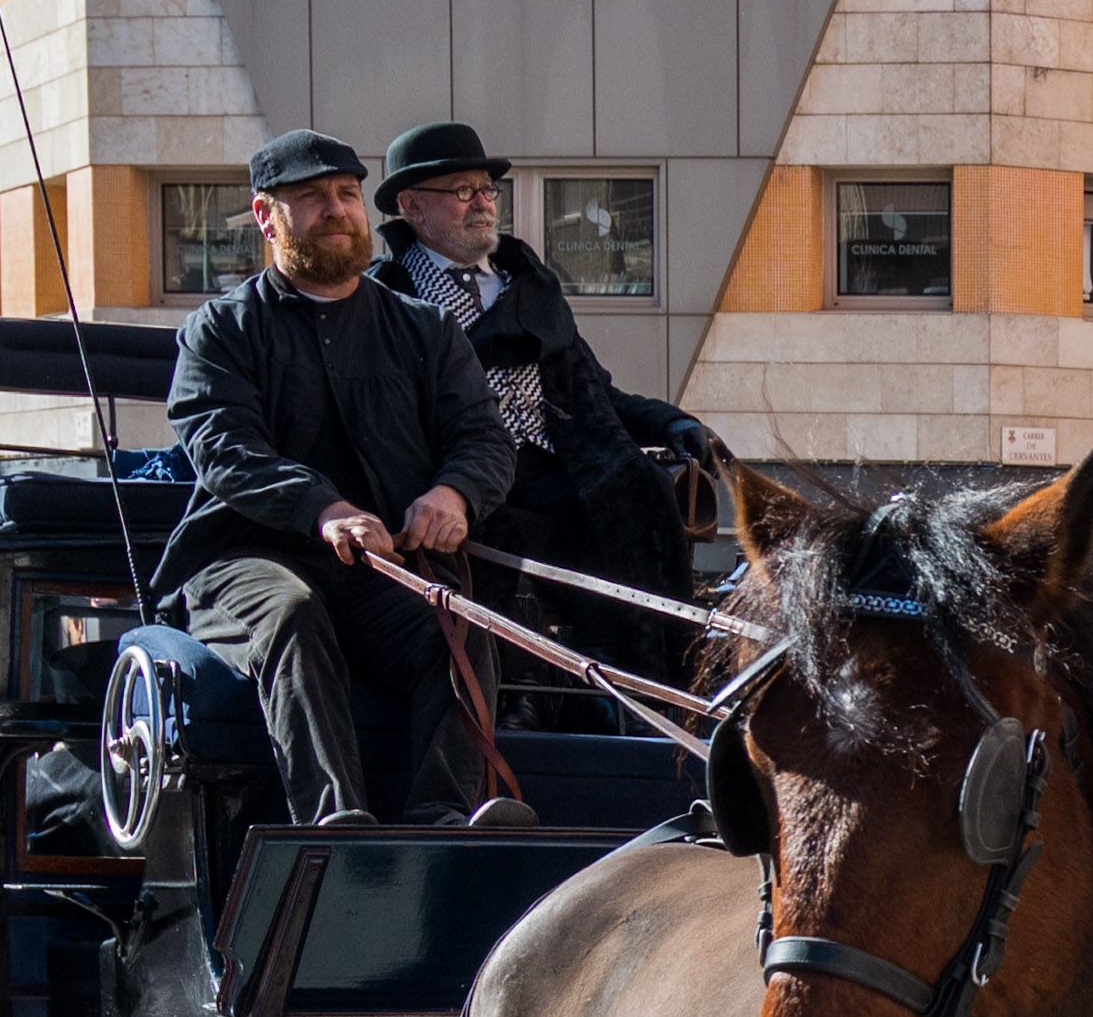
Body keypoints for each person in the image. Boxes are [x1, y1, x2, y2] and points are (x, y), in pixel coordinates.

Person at [154, 129, 520, 829]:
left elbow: (483, 437)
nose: (336, 211)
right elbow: (223, 447)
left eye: (347, 195)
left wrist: (455, 494)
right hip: (245, 560)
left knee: (459, 624)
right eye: (312, 197)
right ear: (267, 217)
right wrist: (323, 508)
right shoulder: (220, 331)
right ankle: (334, 821)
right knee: (291, 611)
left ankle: (444, 816)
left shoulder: (426, 330)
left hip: (379, 573)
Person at [372, 122, 715, 683]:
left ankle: (651, 692)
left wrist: (669, 418)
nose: (482, 204)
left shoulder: (530, 283)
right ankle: (520, 698)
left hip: (561, 467)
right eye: (463, 192)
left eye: (487, 190)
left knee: (638, 495)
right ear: (413, 206)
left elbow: (594, 389)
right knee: (495, 541)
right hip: (463, 478)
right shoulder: (387, 297)